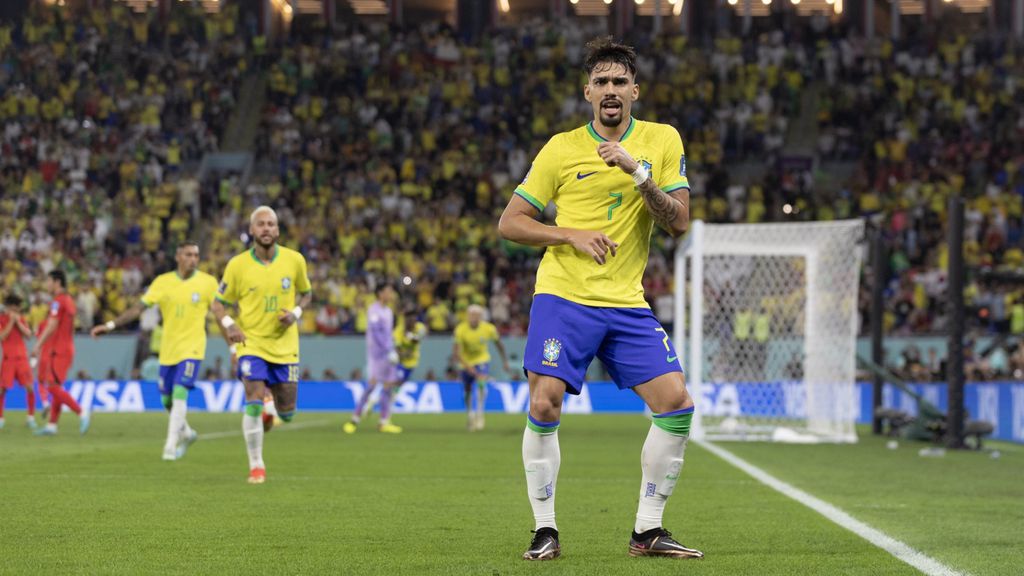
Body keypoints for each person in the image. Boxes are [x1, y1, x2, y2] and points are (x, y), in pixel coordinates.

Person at [497, 38, 702, 560]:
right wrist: (569, 233)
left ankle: (648, 532)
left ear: (635, 90)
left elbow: (678, 222)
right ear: (587, 91)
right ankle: (545, 530)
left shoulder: (661, 139)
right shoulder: (561, 148)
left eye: (620, 82)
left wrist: (638, 173)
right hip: (563, 297)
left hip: (625, 301)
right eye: (602, 82)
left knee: (676, 405)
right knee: (543, 401)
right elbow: (510, 223)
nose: (611, 91)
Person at [91, 241, 221, 461]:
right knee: (167, 401)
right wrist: (111, 325)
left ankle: (170, 445)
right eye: (189, 254)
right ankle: (187, 433)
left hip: (193, 348)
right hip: (169, 350)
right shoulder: (163, 282)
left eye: (196, 255)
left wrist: (234, 345)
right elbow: (138, 309)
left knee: (181, 391)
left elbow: (219, 312)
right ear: (178, 257)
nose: (194, 259)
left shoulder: (208, 283)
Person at [211, 206, 312, 484]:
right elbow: (217, 303)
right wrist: (230, 324)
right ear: (252, 230)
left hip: (285, 346)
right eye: (261, 224)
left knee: (287, 414)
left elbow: (307, 294)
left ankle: (270, 409)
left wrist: (296, 314)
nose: (266, 228)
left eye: (271, 224)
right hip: (251, 343)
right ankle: (257, 466)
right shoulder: (237, 265)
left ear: (277, 230)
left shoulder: (294, 261)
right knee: (253, 400)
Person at [33, 270, 90, 436]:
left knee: (51, 386)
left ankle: (82, 412)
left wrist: (38, 345)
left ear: (57, 282)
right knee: (56, 386)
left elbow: (51, 325)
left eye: (49, 281)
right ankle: (52, 425)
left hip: (58, 350)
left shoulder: (58, 301)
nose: (47, 284)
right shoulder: (69, 300)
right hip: (66, 348)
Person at [344, 284, 403, 434]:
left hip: (389, 354)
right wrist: (387, 350)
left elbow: (387, 334)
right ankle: (354, 419)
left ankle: (384, 421)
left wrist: (393, 348)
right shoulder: (374, 310)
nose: (391, 294)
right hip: (377, 355)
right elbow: (376, 333)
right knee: (371, 386)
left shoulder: (388, 311)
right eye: (388, 291)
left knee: (388, 387)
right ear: (380, 293)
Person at [452, 304, 510, 431]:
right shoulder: (460, 329)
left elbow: (499, 344)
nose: (474, 317)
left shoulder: (488, 329)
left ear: (481, 316)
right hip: (465, 362)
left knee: (481, 383)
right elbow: (456, 353)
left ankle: (479, 414)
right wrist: (468, 367)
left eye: (477, 315)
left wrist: (505, 361)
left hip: (481, 360)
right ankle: (470, 414)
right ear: (467, 316)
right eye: (471, 315)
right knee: (467, 390)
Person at [0, 294, 37, 430]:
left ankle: (31, 418)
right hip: (8, 359)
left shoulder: (21, 319)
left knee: (30, 387)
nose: (19, 309)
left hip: (22, 359)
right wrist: (11, 321)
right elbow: (2, 337)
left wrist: (17, 322)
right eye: (17, 306)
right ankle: (1, 418)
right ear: (10, 306)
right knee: (2, 390)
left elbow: (28, 335)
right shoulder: (2, 319)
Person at [394, 308, 427, 384]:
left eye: (415, 319)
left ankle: (391, 394)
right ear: (406, 320)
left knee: (400, 382)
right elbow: (397, 348)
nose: (413, 321)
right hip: (400, 361)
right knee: (396, 380)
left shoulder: (420, 327)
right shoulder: (398, 330)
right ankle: (389, 394)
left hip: (412, 361)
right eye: (410, 319)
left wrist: (409, 336)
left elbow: (418, 340)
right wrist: (403, 355)